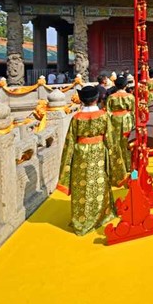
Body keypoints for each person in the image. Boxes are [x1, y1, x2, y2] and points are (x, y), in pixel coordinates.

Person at [57, 85, 127, 235]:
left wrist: (65, 169)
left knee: (81, 187)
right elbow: (112, 142)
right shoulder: (103, 116)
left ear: (81, 100)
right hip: (99, 152)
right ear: (97, 99)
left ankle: (82, 220)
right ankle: (102, 214)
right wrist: (119, 166)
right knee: (99, 183)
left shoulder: (76, 118)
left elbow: (69, 143)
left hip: (80, 155)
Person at [106, 77, 135, 172]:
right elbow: (133, 111)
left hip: (114, 120)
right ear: (126, 85)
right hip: (127, 119)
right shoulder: (130, 96)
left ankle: (117, 167)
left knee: (115, 142)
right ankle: (129, 165)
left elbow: (108, 112)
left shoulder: (111, 97)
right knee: (127, 142)